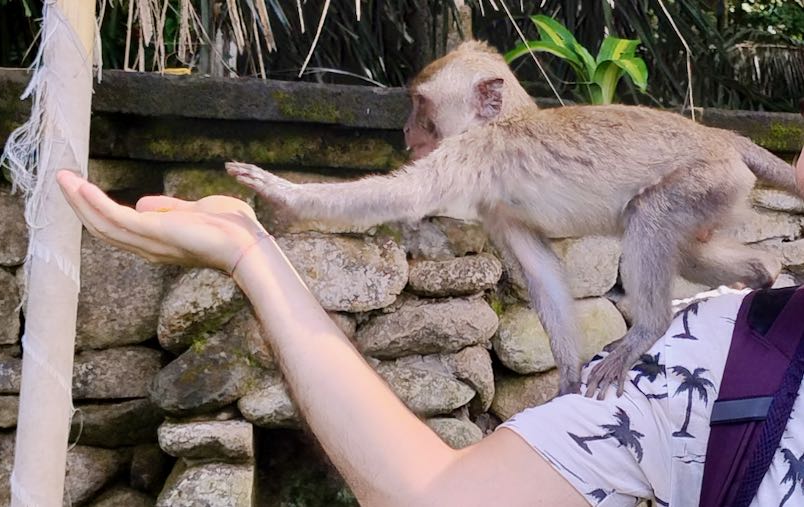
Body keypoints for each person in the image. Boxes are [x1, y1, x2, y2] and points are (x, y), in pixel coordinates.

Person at [55, 139, 804, 507]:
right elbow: (440, 495)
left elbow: (391, 196)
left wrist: (282, 199)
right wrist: (254, 252)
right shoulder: (719, 356)